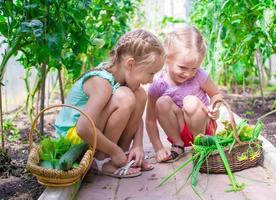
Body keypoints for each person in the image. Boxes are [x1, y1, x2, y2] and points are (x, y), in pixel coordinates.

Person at [54, 29, 165, 178]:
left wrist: (138, 145)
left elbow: (137, 117)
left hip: (94, 137)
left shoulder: (120, 77)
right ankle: (103, 160)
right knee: (125, 96)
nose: (151, 80)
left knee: (139, 95)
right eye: (151, 73)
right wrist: (114, 151)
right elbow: (83, 128)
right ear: (130, 64)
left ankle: (124, 156)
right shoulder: (101, 83)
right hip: (74, 141)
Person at [146, 26, 223, 163]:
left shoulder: (199, 76)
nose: (188, 74)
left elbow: (216, 94)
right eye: (182, 67)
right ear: (166, 59)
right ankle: (178, 145)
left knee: (190, 101)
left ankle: (201, 145)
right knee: (162, 102)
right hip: (180, 130)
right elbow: (150, 120)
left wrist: (214, 108)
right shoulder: (158, 84)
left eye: (194, 68)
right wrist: (158, 148)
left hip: (204, 129)